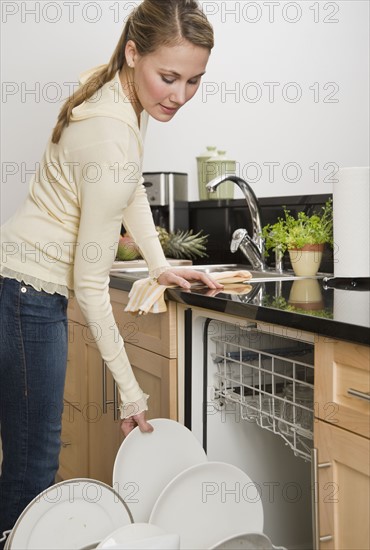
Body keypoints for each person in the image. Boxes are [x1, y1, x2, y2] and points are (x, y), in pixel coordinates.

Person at [0, 0, 221, 539]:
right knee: (32, 461)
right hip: (29, 294)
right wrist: (131, 393)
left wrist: (158, 263)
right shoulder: (111, 135)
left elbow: (129, 191)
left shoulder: (113, 91)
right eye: (169, 77)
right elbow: (90, 286)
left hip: (16, 283)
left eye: (194, 81)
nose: (179, 95)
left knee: (26, 453)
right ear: (132, 52)